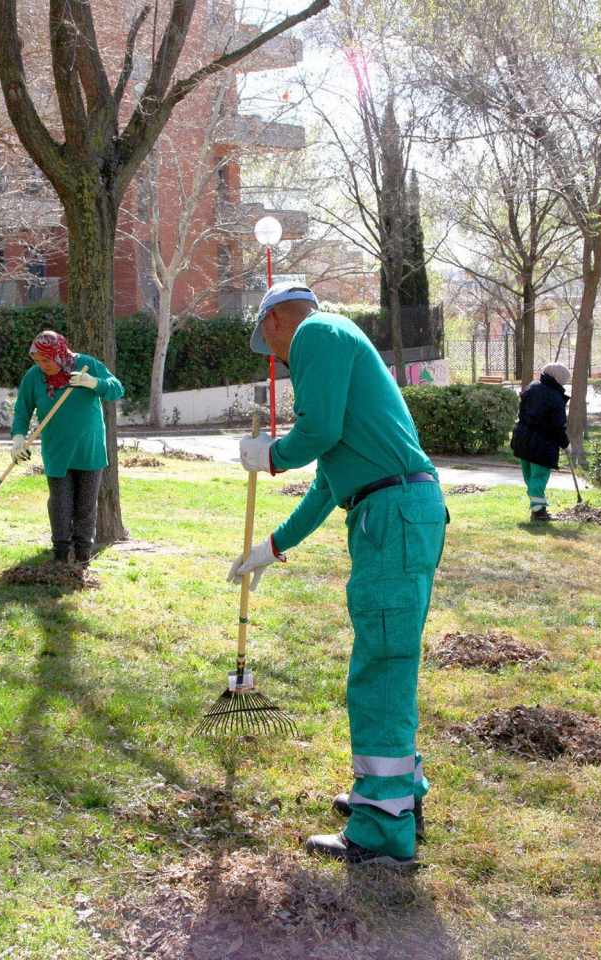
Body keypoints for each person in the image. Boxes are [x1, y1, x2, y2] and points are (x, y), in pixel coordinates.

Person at [228, 282, 446, 868]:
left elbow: (316, 434)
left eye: (269, 347)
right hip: (395, 514)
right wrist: (272, 547)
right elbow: (328, 480)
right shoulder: (341, 348)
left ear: (276, 320)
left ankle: (383, 826)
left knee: (378, 669)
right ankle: (396, 796)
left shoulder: (318, 332)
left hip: (392, 517)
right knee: (386, 660)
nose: (277, 361)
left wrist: (271, 454)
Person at [10, 330, 124, 566]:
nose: (42, 365)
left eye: (46, 360)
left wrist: (94, 383)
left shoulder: (86, 365)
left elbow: (116, 388)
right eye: (38, 360)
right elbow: (22, 409)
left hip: (88, 448)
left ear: (59, 353)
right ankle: (61, 554)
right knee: (60, 502)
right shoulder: (34, 377)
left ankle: (83, 555)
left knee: (86, 505)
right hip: (57, 450)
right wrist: (18, 438)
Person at [509, 362, 571, 522]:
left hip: (523, 440)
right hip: (542, 444)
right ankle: (538, 512)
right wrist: (565, 444)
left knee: (529, 476)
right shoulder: (555, 397)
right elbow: (558, 426)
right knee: (539, 477)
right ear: (558, 379)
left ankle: (539, 508)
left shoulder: (532, 388)